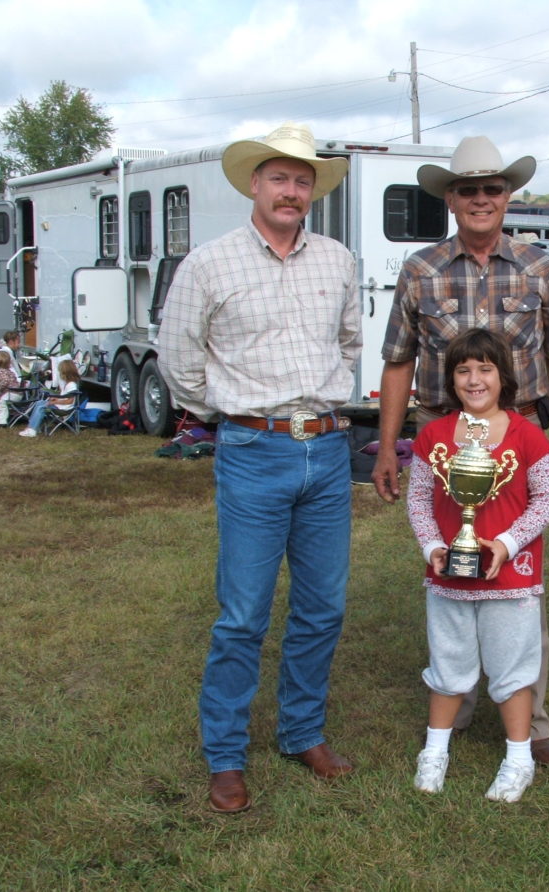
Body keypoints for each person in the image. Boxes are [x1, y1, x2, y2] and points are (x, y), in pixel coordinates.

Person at [157, 122, 360, 815]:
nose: (292, 190)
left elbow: (350, 340)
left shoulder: (337, 259)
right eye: (280, 177)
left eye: (303, 180)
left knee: (322, 607)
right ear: (254, 184)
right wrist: (229, 412)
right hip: (252, 451)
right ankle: (225, 756)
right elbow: (177, 358)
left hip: (329, 451)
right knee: (243, 613)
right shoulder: (209, 264)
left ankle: (302, 732)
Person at [372, 136, 549, 768]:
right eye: (469, 190)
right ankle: (454, 700)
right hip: (444, 445)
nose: (481, 199)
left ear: (508, 195)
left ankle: (531, 721)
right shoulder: (420, 270)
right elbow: (397, 362)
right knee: (449, 564)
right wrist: (388, 446)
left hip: (518, 440)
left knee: (518, 571)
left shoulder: (540, 268)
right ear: (451, 198)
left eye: (492, 188)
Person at [407, 328, 549, 803]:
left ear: (503, 377)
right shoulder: (432, 436)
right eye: (463, 370)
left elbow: (546, 498)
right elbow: (418, 498)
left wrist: (507, 543)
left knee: (513, 668)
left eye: (485, 369)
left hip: (510, 577)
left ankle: (519, 759)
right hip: (449, 576)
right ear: (451, 379)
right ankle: (435, 752)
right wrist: (432, 545)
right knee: (449, 663)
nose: (474, 380)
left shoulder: (527, 435)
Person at [18, 358, 80, 437]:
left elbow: (69, 401)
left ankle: (32, 430)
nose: (60, 373)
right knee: (39, 402)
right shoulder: (67, 383)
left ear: (65, 372)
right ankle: (32, 427)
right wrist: (56, 399)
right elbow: (65, 397)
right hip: (60, 406)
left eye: (60, 371)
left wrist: (54, 402)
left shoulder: (71, 385)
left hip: (64, 409)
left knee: (41, 406)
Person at [0, 349, 24, 426]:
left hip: (11, 393)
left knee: (1, 404)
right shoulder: (9, 371)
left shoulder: (0, 371)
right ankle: (4, 417)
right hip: (18, 393)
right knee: (3, 403)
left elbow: (5, 382)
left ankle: (1, 422)